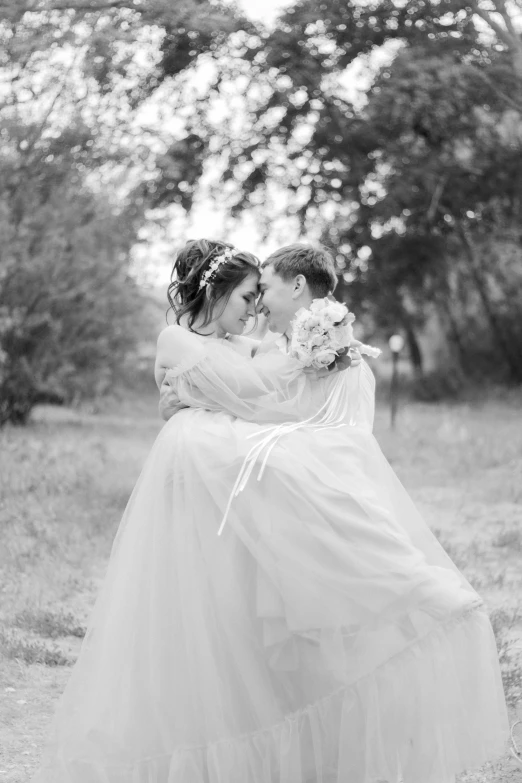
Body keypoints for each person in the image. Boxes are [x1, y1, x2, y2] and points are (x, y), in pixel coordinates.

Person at [33, 239, 509, 783]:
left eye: (260, 293)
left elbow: (256, 388)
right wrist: (256, 378)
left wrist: (319, 357)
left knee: (261, 598)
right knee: (206, 612)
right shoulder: (177, 337)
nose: (254, 306)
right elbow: (242, 393)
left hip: (229, 474)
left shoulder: (252, 344)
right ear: (214, 291)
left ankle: (389, 586)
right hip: (201, 480)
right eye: (246, 295)